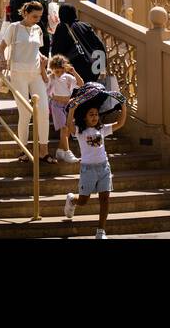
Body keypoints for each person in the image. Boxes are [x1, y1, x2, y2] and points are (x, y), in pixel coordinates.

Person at [0, 0, 53, 162]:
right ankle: (23, 150)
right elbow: (1, 48)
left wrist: (43, 65)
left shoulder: (38, 29)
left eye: (40, 16)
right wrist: (2, 61)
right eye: (35, 16)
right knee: (25, 113)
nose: (37, 19)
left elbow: (37, 51)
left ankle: (44, 150)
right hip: (18, 74)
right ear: (25, 13)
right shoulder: (14, 27)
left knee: (43, 111)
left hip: (35, 74)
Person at [63, 99, 129, 239]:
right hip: (88, 170)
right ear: (85, 117)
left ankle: (101, 231)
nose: (94, 117)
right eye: (91, 114)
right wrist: (72, 110)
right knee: (83, 201)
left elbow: (120, 123)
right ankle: (72, 200)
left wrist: (123, 106)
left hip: (104, 168)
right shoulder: (80, 131)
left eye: (96, 114)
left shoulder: (102, 129)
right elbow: (69, 126)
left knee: (105, 199)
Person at [47, 54, 81, 163]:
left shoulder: (68, 77)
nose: (60, 74)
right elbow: (46, 90)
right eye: (57, 71)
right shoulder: (51, 78)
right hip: (56, 105)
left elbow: (81, 84)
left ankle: (60, 151)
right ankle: (67, 152)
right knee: (64, 128)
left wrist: (73, 72)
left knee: (67, 129)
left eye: (61, 71)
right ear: (52, 70)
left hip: (67, 105)